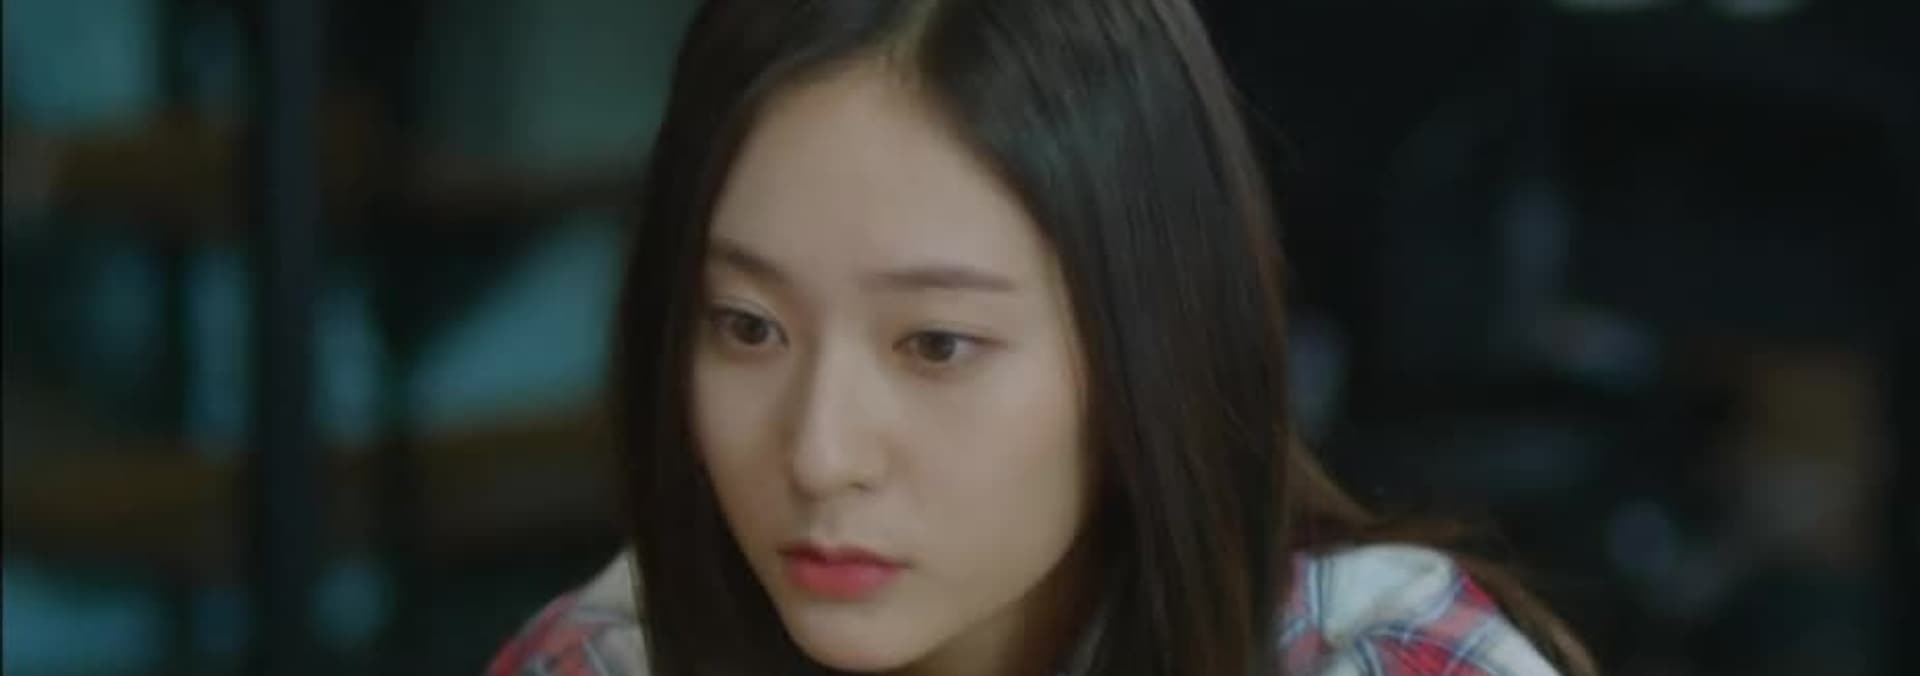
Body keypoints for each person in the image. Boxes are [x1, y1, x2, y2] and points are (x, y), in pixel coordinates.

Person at [487, 0, 1594, 674]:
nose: (820, 454)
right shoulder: (603, 660)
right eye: (747, 326)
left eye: (936, 345)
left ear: (1146, 348)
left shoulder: (1392, 663)